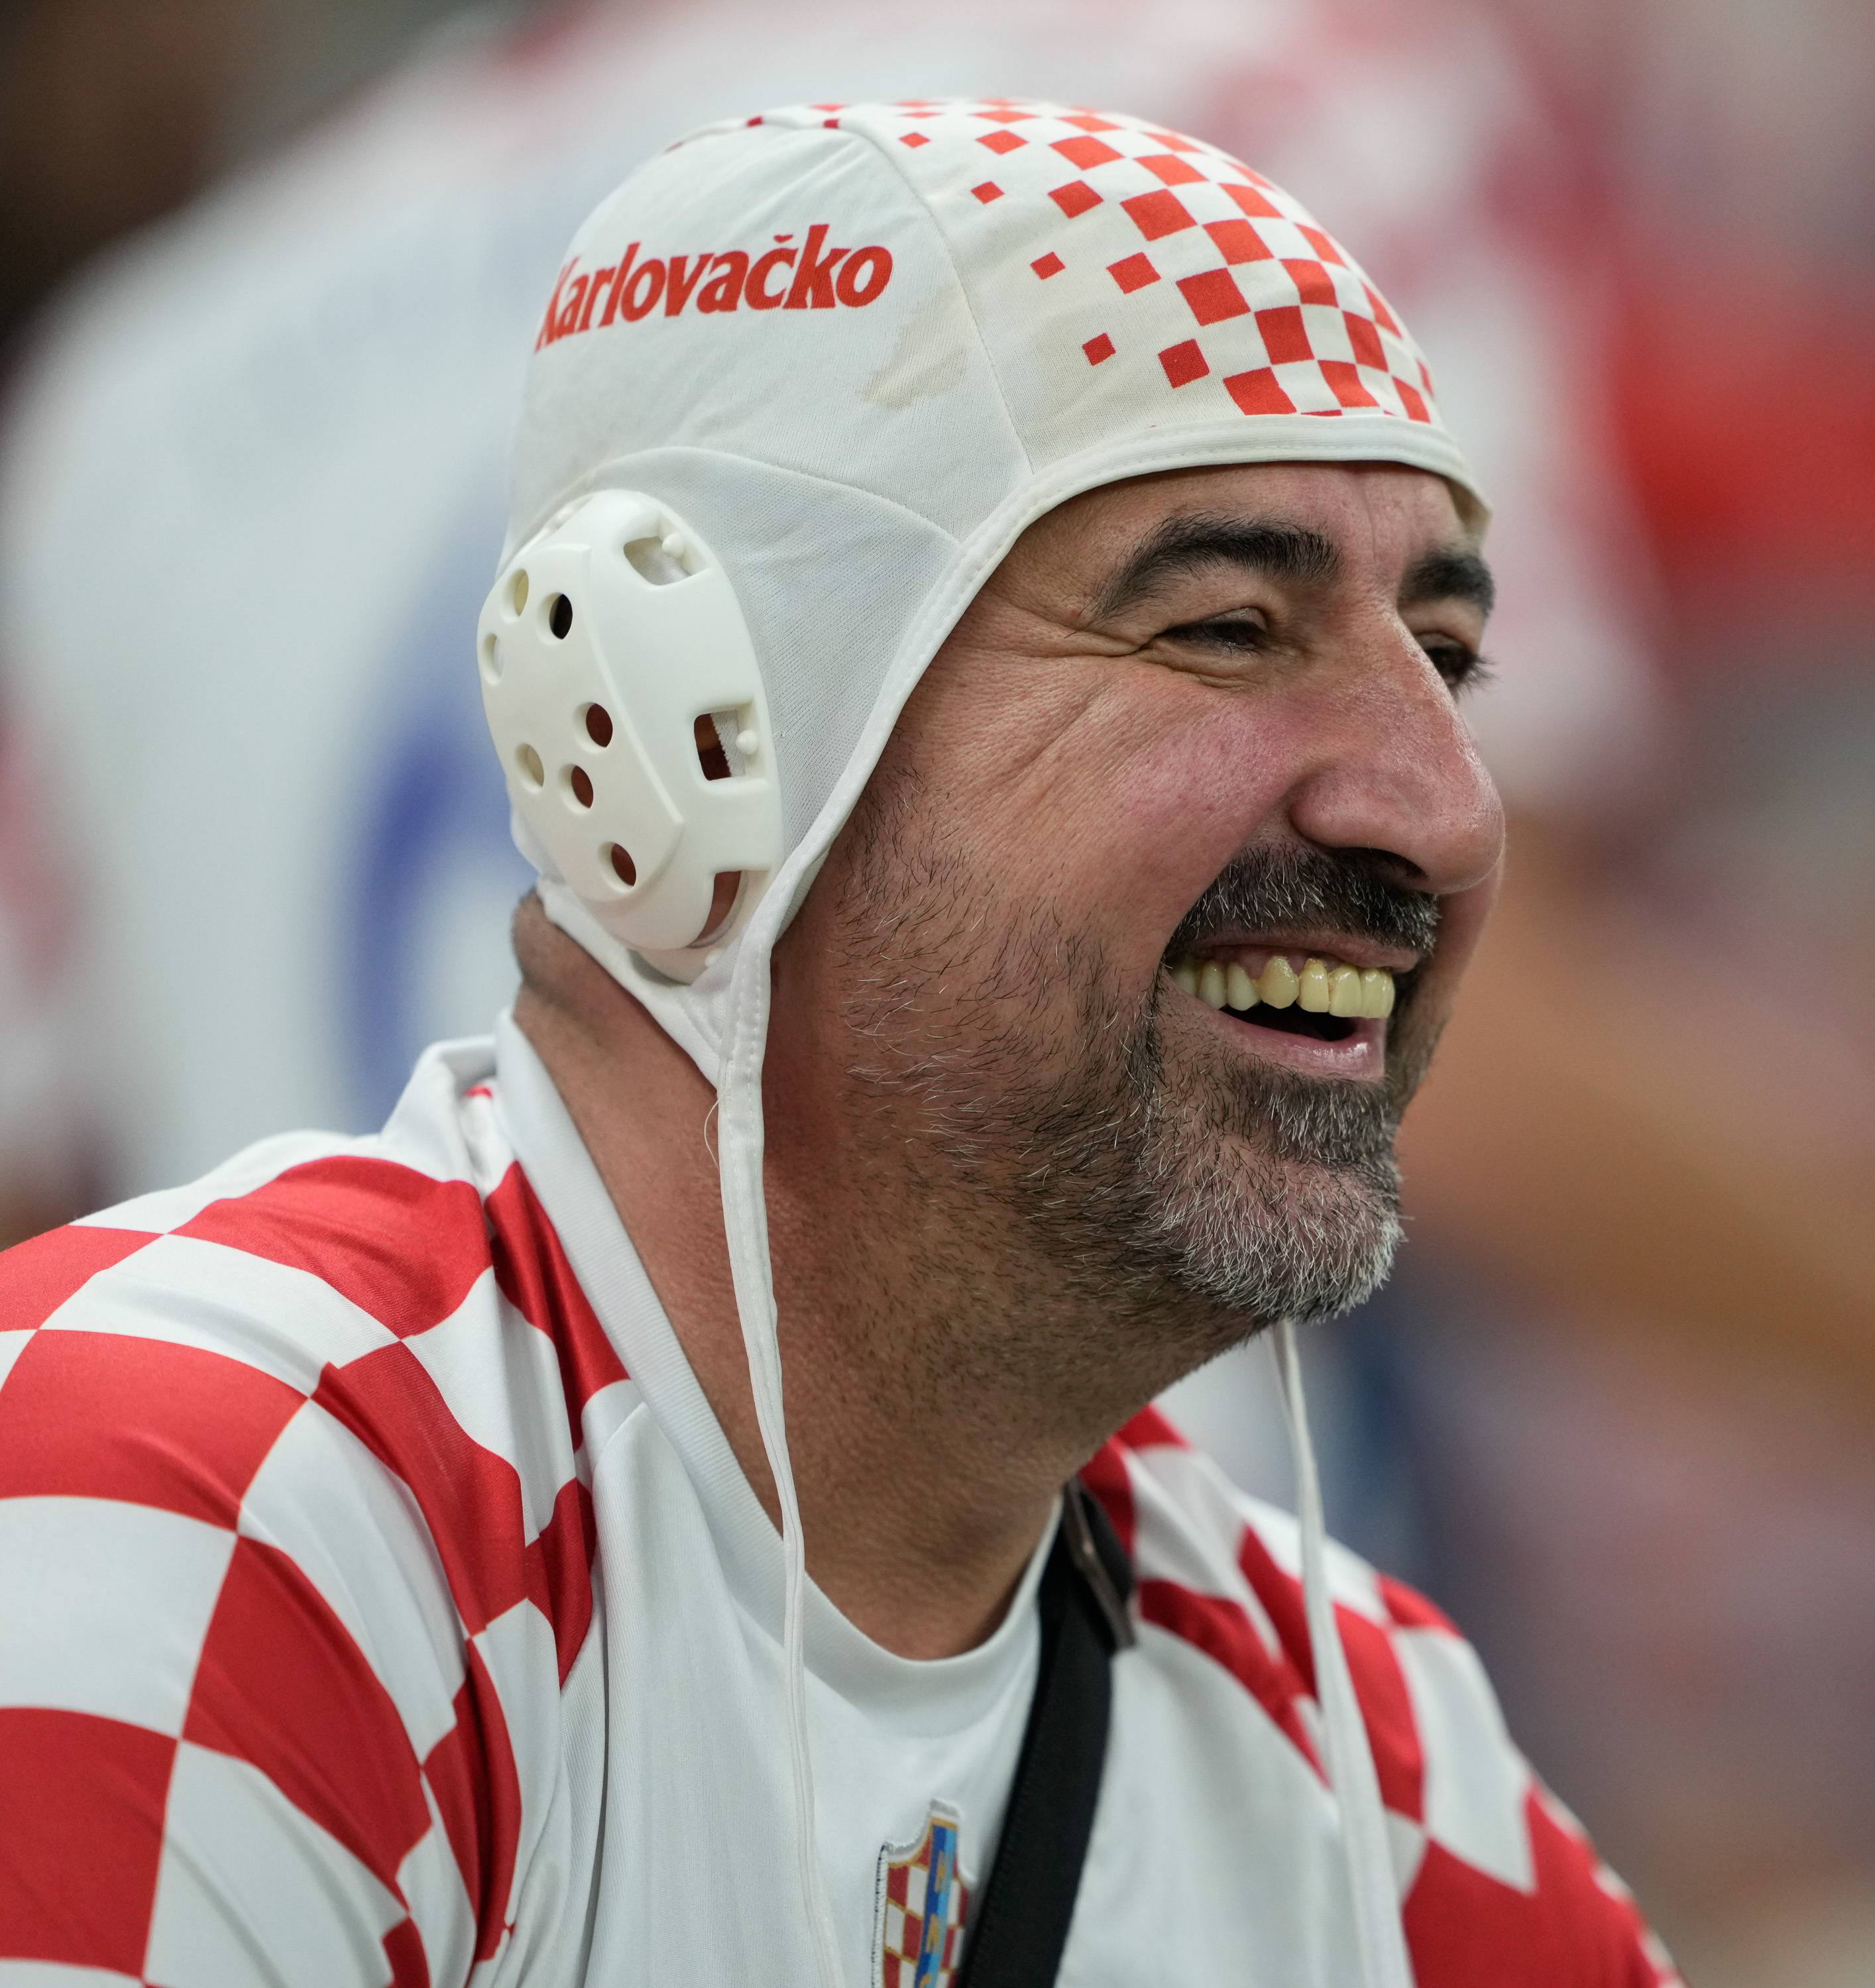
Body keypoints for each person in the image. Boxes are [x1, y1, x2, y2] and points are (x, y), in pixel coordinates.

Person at [0, 97, 1668, 1987]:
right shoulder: (197, 1516)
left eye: (1445, 658)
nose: (1440, 812)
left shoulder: (1362, 1768)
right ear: (669, 738)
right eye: (1222, 625)